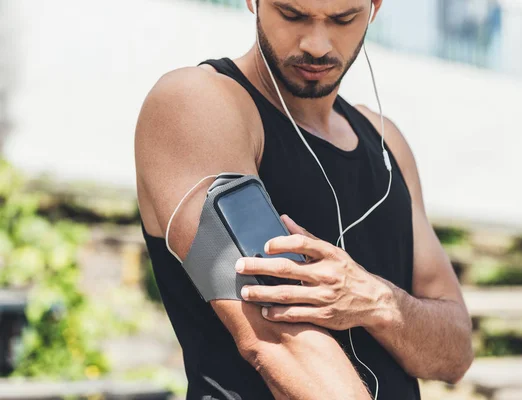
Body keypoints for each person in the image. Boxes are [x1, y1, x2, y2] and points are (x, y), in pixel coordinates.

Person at [134, 0, 473, 398]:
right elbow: (282, 342)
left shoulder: (388, 144)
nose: (316, 43)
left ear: (375, 7)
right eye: (292, 15)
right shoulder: (196, 103)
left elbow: (454, 352)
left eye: (343, 19)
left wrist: (376, 301)